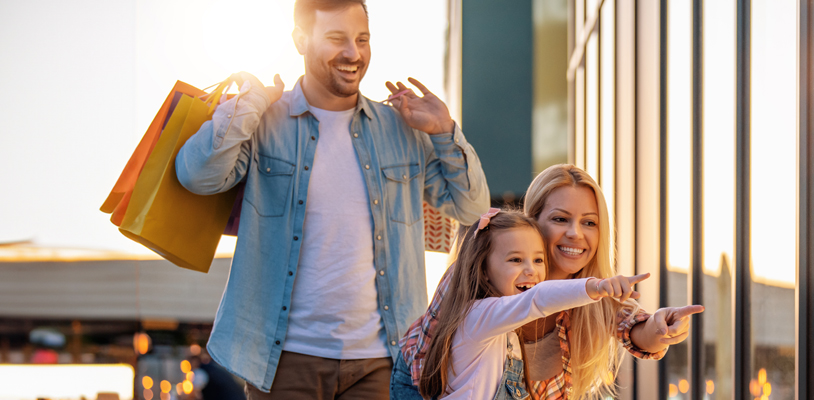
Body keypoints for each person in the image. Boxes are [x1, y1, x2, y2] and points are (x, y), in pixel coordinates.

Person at [175, 0, 490, 397]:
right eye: (337, 39)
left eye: (362, 40)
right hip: (283, 361)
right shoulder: (265, 121)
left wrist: (445, 131)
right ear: (300, 40)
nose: (353, 54)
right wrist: (250, 104)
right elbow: (197, 176)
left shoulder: (401, 129)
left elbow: (473, 209)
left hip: (384, 359)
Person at [392, 164, 703, 399]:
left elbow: (635, 328)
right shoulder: (479, 273)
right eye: (560, 219)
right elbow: (426, 360)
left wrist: (661, 329)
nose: (575, 233)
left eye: (589, 223)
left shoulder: (595, 298)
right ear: (533, 221)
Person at [417, 208, 650, 399]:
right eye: (515, 260)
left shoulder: (507, 329)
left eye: (538, 260)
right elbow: (537, 299)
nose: (531, 270)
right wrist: (596, 287)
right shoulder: (478, 316)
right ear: (484, 270)